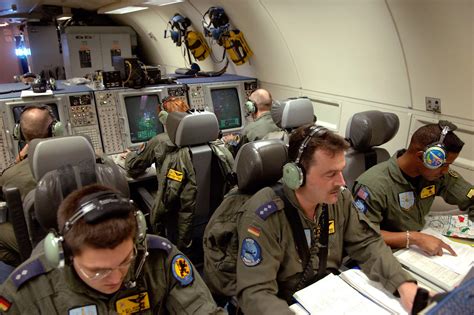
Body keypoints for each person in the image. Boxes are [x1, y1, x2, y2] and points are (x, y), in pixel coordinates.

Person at [236, 124, 418, 314]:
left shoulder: (340, 199)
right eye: (331, 174)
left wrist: (403, 283)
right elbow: (256, 293)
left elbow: (366, 243)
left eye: (341, 171)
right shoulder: (264, 215)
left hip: (327, 297)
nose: (341, 182)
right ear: (296, 175)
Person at [0, 184, 225, 314]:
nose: (116, 278)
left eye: (125, 261)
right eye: (98, 270)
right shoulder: (26, 292)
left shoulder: (159, 258)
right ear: (64, 255)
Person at [353, 121, 474, 256]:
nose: (446, 171)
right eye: (444, 165)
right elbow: (361, 234)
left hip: (417, 247)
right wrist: (415, 238)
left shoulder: (437, 175)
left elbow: (470, 197)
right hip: (386, 252)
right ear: (420, 156)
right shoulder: (373, 185)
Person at [0, 105, 59, 269]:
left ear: (19, 133)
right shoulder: (86, 155)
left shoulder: (11, 175)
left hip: (43, 240)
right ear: (55, 129)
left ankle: (36, 267)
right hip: (82, 233)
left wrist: (17, 161)